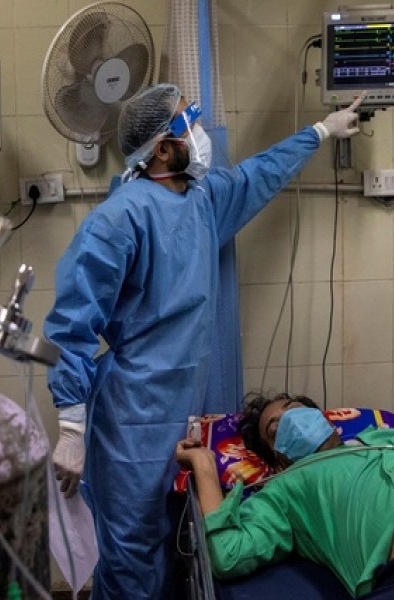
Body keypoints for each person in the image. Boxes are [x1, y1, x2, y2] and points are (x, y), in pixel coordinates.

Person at [44, 82, 363, 598]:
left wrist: (321, 131)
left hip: (183, 408)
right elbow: (72, 325)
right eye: (189, 123)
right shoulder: (118, 220)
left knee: (177, 542)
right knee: (132, 557)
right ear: (165, 148)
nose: (201, 132)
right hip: (133, 422)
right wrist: (70, 426)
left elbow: (257, 175)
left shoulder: (202, 201)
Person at [176, 393, 394, 599]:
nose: (291, 419)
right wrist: (204, 464)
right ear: (277, 456)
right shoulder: (284, 487)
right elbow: (227, 555)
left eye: (295, 408)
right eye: (275, 427)